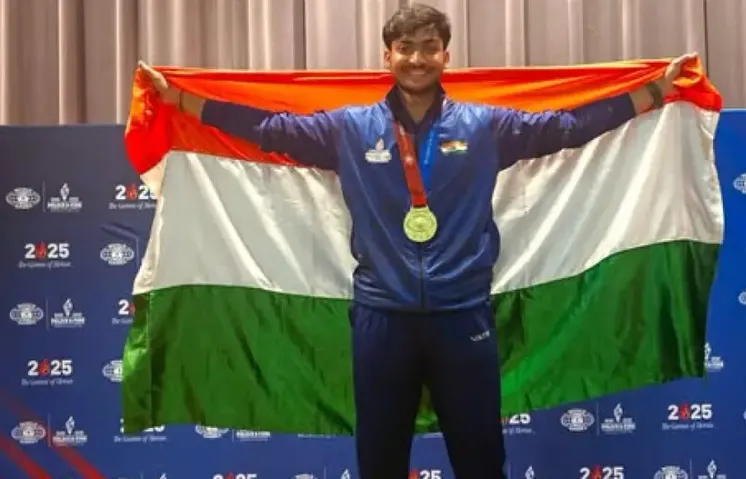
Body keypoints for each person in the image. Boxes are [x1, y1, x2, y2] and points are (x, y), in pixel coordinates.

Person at [139, 3, 694, 478]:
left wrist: (652, 92)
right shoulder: (349, 129)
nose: (417, 58)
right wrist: (183, 102)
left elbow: (566, 129)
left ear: (446, 55)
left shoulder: (484, 126)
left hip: (464, 317)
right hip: (383, 319)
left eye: (430, 47)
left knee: (480, 460)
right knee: (380, 460)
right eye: (405, 47)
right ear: (388, 55)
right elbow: (271, 131)